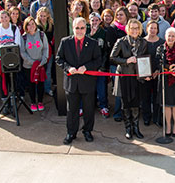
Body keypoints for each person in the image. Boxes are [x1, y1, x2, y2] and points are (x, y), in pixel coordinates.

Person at [56, 16, 102, 144]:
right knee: (72, 110)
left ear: (85, 29)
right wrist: (68, 68)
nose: (80, 31)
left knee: (88, 109)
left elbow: (98, 60)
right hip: (71, 83)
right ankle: (71, 132)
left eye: (82, 28)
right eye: (77, 28)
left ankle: (87, 131)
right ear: (73, 28)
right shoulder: (65, 42)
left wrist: (86, 67)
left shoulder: (92, 43)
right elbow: (59, 59)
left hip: (87, 82)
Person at [110, 18, 150, 139]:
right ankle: (128, 128)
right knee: (126, 104)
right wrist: (126, 61)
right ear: (128, 29)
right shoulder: (121, 41)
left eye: (136, 28)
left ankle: (136, 128)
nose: (134, 30)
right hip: (124, 77)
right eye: (132, 28)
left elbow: (145, 60)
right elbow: (112, 57)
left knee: (136, 103)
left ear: (140, 29)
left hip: (137, 77)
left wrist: (146, 73)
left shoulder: (143, 42)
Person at [0, 10, 22, 106]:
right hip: (1, 60)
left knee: (13, 79)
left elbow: (17, 43)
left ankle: (13, 100)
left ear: (9, 17)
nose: (4, 19)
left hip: (13, 58)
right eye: (2, 17)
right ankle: (5, 101)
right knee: (3, 81)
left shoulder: (14, 28)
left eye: (6, 17)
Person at [20, 16, 50, 112]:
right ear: (26, 26)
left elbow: (46, 48)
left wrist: (43, 60)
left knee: (41, 83)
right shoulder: (24, 37)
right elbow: (22, 52)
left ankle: (40, 101)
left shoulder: (41, 34)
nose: (31, 26)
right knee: (31, 84)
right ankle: (33, 102)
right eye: (29, 24)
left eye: (33, 24)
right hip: (29, 66)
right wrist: (32, 62)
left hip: (41, 64)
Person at [142, 20, 163, 127]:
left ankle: (157, 118)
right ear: (147, 29)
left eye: (155, 28)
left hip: (157, 74)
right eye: (151, 28)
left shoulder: (162, 42)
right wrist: (145, 74)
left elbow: (163, 59)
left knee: (157, 97)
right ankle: (146, 117)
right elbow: (139, 59)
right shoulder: (142, 42)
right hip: (145, 75)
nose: (153, 30)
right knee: (145, 97)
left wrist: (158, 70)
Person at [88, 12, 110, 117]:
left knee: (101, 87)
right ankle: (85, 107)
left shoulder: (103, 32)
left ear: (100, 21)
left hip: (100, 65)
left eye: (96, 20)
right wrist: (90, 35)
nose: (94, 22)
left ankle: (103, 106)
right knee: (87, 87)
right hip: (88, 65)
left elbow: (106, 51)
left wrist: (103, 66)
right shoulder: (85, 31)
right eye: (92, 20)